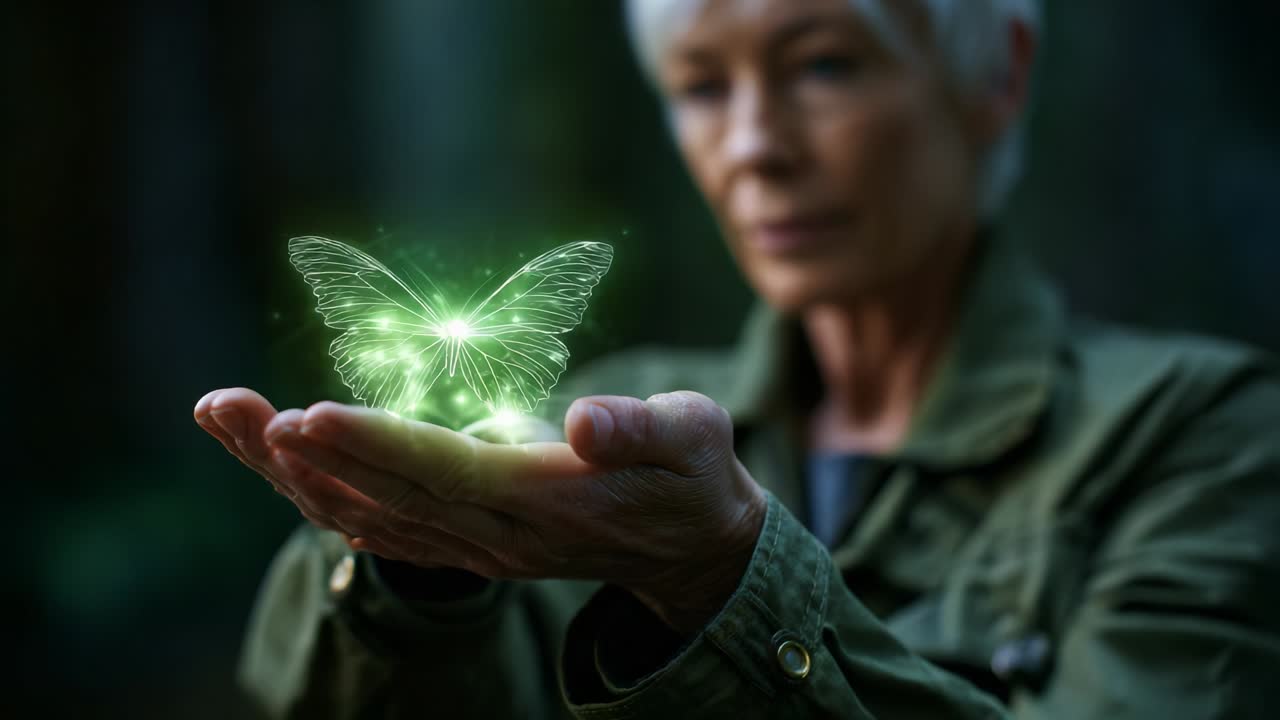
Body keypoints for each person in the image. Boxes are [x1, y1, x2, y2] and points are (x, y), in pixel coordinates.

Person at [194, 0, 1280, 717]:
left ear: (995, 71)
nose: (754, 144)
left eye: (821, 65)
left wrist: (720, 582)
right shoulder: (583, 433)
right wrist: (411, 580)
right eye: (702, 86)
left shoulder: (1201, 431)